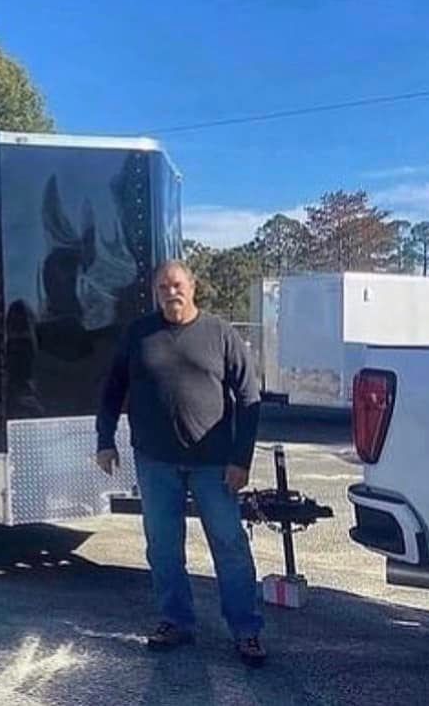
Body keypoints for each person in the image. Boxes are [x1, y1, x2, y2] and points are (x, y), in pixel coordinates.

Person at [95, 260, 266, 667]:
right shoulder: (139, 335)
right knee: (163, 548)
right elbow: (112, 388)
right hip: (156, 463)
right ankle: (176, 621)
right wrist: (105, 440)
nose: (170, 292)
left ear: (193, 288)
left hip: (214, 464)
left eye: (177, 285)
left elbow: (248, 397)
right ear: (156, 293)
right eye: (162, 287)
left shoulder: (219, 333)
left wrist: (241, 459)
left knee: (229, 546)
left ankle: (247, 631)